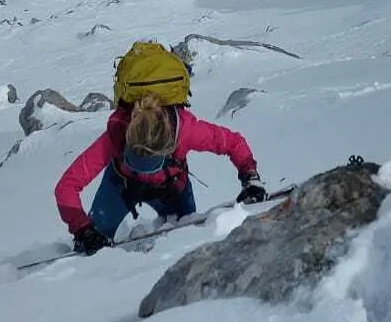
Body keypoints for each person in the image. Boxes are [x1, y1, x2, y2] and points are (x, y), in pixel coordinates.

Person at [55, 94, 266, 254]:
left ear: (169, 148)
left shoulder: (186, 131)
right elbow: (67, 187)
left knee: (184, 245)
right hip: (122, 186)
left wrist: (250, 176)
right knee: (92, 248)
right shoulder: (116, 135)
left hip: (171, 189)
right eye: (136, 159)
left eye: (150, 162)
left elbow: (233, 143)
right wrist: (82, 229)